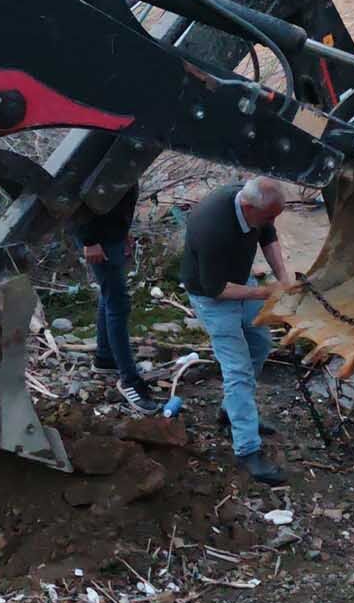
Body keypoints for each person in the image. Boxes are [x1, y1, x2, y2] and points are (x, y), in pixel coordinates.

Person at [180, 177, 294, 485]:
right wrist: (265, 293)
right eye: (269, 216)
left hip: (243, 282)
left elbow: (267, 235)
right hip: (213, 297)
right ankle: (247, 450)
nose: (271, 221)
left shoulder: (258, 208)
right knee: (238, 369)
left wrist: (283, 279)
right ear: (248, 207)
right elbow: (216, 290)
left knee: (260, 345)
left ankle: (232, 410)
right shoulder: (211, 227)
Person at [76, 185, 162, 414]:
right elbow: (73, 197)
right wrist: (88, 240)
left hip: (112, 233)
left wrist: (123, 232)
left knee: (111, 295)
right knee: (118, 303)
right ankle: (129, 381)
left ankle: (105, 358)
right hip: (97, 237)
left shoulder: (127, 163)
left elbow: (121, 193)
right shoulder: (95, 162)